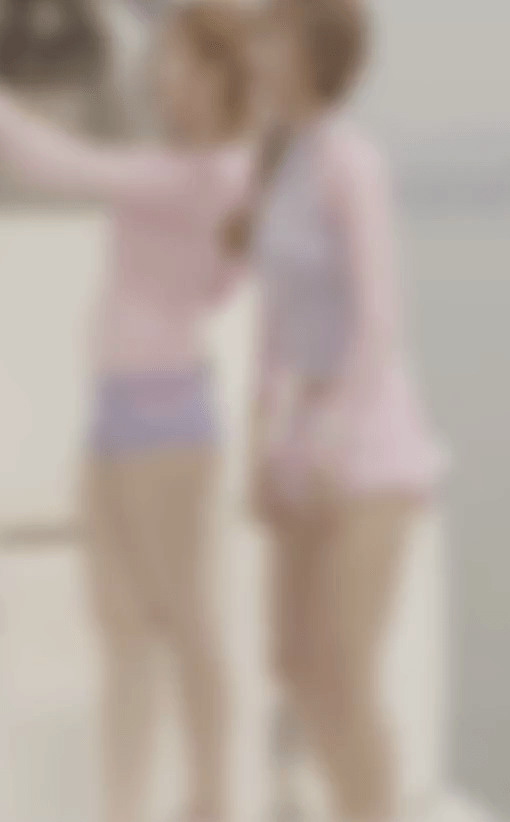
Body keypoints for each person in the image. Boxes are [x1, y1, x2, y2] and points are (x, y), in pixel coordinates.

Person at [0, 4, 258, 822]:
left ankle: (212, 799)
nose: (162, 76)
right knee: (123, 636)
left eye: (180, 62)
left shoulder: (209, 175)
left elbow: (50, 161)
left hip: (169, 433)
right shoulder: (183, 170)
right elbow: (218, 283)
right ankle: (125, 806)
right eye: (165, 60)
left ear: (220, 76)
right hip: (114, 422)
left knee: (188, 624)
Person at [223, 0, 447, 820]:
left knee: (345, 672)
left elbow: (380, 319)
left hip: (370, 450)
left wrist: (330, 441)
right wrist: (262, 444)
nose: (257, 52)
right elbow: (273, 328)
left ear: (314, 50)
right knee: (290, 661)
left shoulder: (355, 161)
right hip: (302, 440)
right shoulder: (280, 160)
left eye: (272, 35)